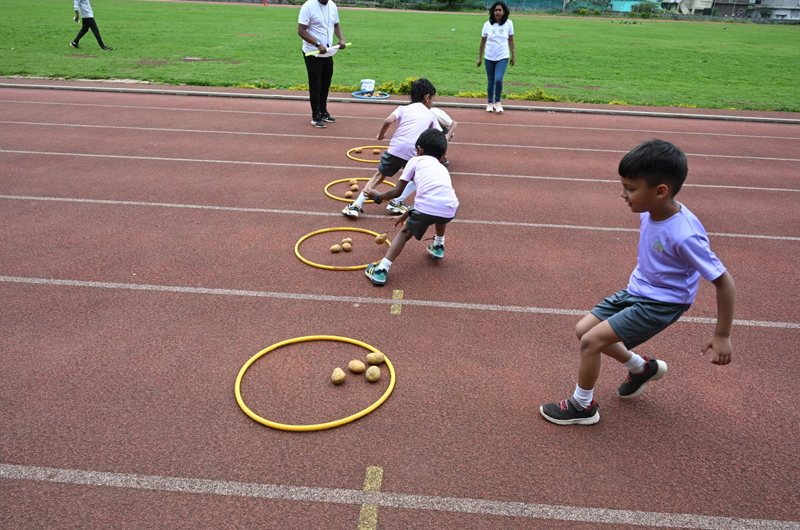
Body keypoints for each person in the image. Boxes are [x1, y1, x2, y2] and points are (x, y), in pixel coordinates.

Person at [540, 139, 736, 426]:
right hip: (638, 289)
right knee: (584, 331)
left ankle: (583, 406)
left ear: (660, 191)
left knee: (592, 342)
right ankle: (641, 368)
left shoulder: (685, 234)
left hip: (662, 302)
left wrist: (722, 335)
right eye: (623, 187)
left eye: (630, 189)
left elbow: (724, 281)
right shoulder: (651, 209)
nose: (623, 195)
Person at [363, 129, 458, 286]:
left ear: (419, 149)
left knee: (405, 232)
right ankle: (439, 246)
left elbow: (397, 191)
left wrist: (377, 196)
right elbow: (434, 199)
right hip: (450, 208)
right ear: (442, 154)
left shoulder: (415, 161)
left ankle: (381, 270)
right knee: (438, 215)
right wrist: (407, 214)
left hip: (429, 207)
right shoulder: (442, 168)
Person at [341, 78, 440, 219]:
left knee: (379, 175)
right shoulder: (430, 115)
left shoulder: (403, 108)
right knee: (417, 179)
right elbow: (438, 135)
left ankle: (356, 205)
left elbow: (388, 120)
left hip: (396, 149)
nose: (432, 103)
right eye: (433, 100)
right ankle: (397, 202)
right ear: (427, 97)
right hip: (413, 152)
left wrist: (380, 135)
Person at [298, 0, 346, 129]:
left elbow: (335, 24)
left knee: (325, 83)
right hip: (313, 53)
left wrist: (341, 39)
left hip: (328, 52)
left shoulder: (332, 5)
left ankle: (323, 111)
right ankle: (316, 116)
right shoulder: (309, 6)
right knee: (316, 85)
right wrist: (317, 44)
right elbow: (301, 31)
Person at [477, 1, 515, 114]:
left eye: (500, 10)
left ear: (504, 12)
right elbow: (482, 43)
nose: (497, 12)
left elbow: (511, 40)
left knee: (498, 79)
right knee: (490, 81)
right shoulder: (487, 25)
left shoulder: (509, 23)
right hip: (489, 56)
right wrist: (479, 57)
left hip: (502, 56)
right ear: (492, 12)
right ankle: (490, 102)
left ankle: (497, 102)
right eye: (495, 10)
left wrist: (513, 55)